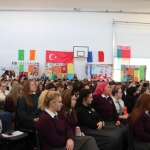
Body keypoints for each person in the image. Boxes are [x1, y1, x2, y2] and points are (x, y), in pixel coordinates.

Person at [92, 82, 128, 150]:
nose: (110, 89)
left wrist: (117, 119)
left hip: (112, 121)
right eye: (108, 87)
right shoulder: (96, 98)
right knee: (119, 133)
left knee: (125, 129)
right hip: (105, 121)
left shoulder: (109, 98)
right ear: (102, 88)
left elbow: (114, 110)